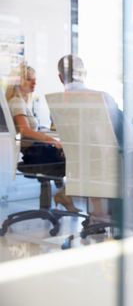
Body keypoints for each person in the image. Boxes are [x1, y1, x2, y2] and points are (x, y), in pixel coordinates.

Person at [56, 54, 133, 219]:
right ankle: (129, 214)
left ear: (60, 77)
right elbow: (128, 134)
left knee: (98, 166)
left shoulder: (59, 102)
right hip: (112, 165)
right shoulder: (101, 98)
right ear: (84, 73)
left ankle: (99, 216)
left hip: (86, 165)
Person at [5, 62, 81, 212]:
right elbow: (24, 130)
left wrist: (45, 133)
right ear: (18, 82)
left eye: (34, 79)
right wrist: (52, 140)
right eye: (28, 79)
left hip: (34, 152)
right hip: (35, 155)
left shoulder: (20, 103)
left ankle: (63, 194)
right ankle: (64, 194)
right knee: (78, 157)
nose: (34, 82)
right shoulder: (17, 102)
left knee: (68, 154)